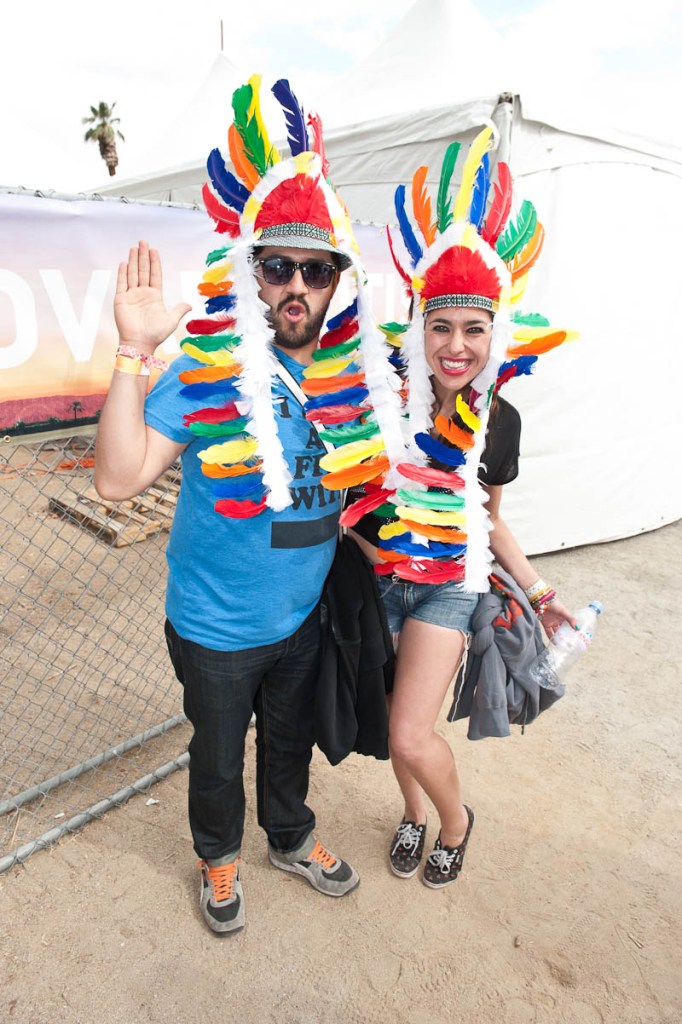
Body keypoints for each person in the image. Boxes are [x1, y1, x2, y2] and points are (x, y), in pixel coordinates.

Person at [93, 75, 397, 935]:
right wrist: (132, 350)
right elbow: (117, 480)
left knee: (289, 747)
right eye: (277, 266)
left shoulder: (353, 381)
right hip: (215, 627)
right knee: (219, 760)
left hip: (301, 619)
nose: (295, 284)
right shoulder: (203, 367)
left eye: (315, 268)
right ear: (251, 272)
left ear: (337, 281)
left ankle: (291, 837)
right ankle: (218, 855)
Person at [316, 128, 578, 889]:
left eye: (472, 329)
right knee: (395, 734)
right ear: (419, 325)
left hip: (448, 584)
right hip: (379, 580)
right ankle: (412, 814)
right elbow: (352, 487)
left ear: (495, 334)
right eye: (441, 326)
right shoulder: (385, 398)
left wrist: (541, 594)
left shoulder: (501, 421)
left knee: (408, 730)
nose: (455, 345)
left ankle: (456, 822)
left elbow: (487, 518)